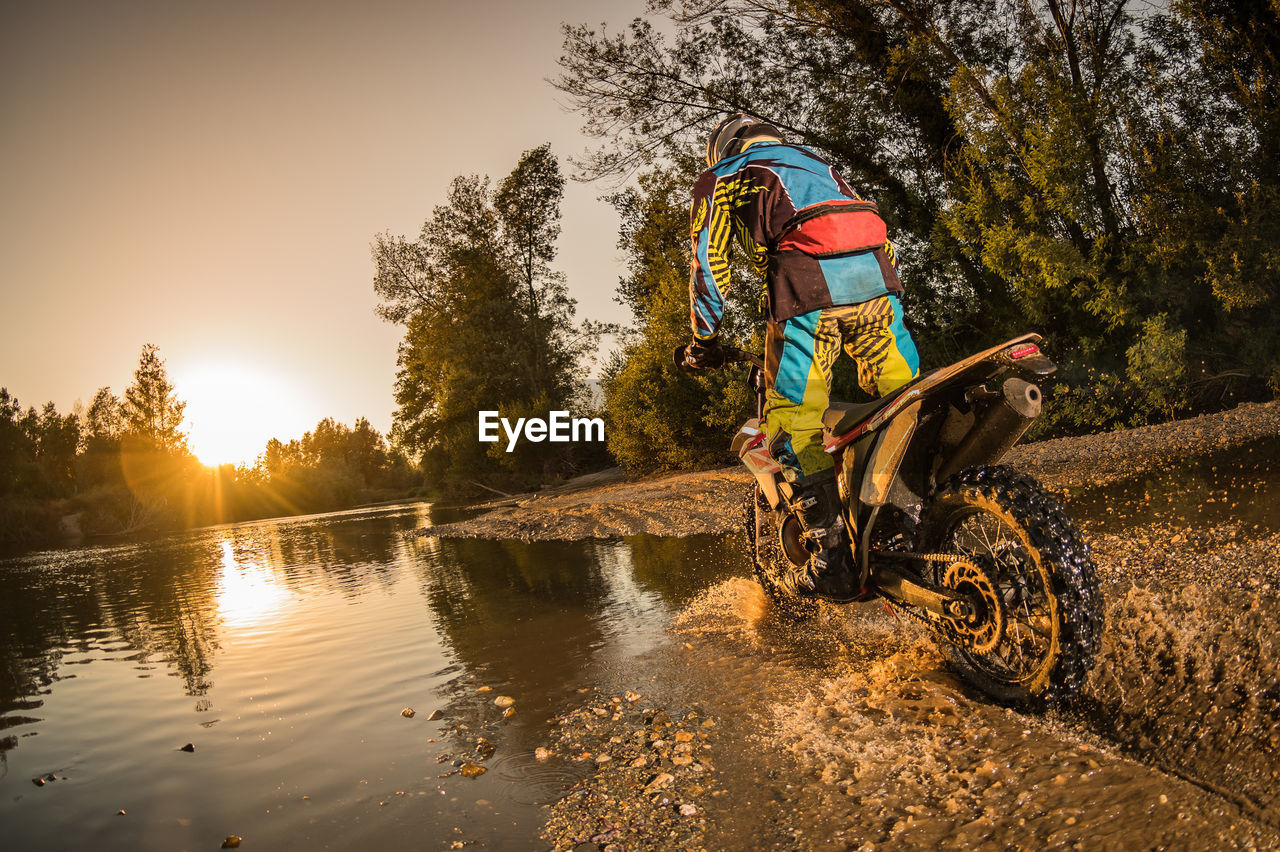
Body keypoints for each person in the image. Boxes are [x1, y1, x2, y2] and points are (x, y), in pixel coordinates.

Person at [684, 113, 921, 599]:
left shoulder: (726, 173)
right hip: (880, 288)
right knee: (903, 406)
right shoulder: (820, 166)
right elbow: (869, 231)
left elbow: (709, 259)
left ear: (724, 147)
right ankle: (911, 520)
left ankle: (832, 559)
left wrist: (704, 339)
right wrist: (883, 293)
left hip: (810, 293)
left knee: (793, 423)